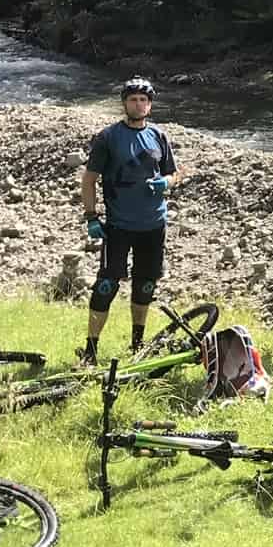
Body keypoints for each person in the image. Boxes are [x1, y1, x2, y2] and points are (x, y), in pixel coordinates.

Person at [80, 77, 183, 361]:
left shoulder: (159, 136)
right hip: (119, 225)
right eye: (133, 100)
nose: (138, 104)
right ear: (125, 103)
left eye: (143, 100)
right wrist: (91, 217)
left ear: (150, 106)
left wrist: (167, 182)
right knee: (107, 284)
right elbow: (89, 180)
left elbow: (174, 173)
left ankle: (137, 343)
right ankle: (90, 348)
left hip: (153, 224)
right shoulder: (108, 137)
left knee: (145, 283)